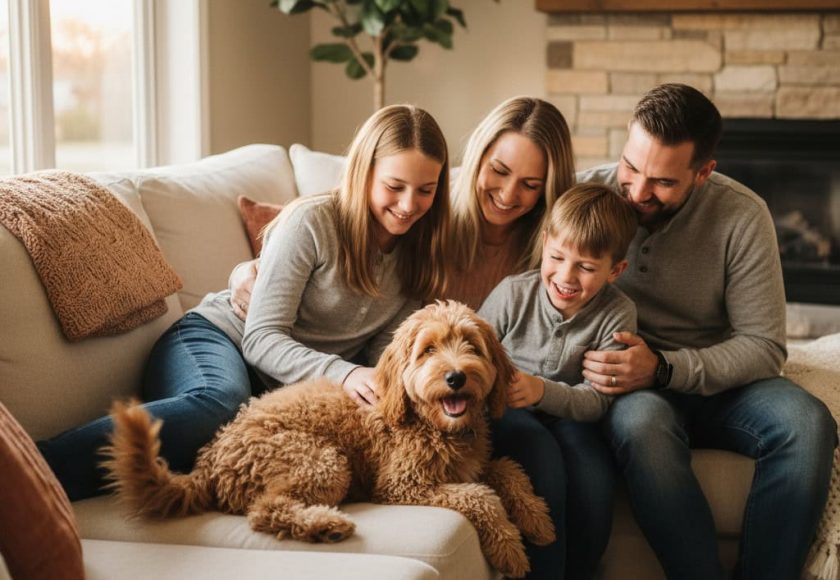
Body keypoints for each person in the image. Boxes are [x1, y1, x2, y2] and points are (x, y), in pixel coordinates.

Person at [229, 97, 613, 580]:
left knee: (591, 474)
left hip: (525, 387)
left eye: (531, 184)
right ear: (474, 163)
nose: (509, 193)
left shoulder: (553, 245)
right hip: (465, 395)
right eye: (498, 171)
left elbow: (603, 256)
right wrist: (247, 271)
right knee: (534, 449)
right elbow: (350, 253)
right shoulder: (429, 225)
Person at [37, 104, 452, 502]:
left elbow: (384, 354)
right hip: (218, 340)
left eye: (425, 191)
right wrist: (342, 374)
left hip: (284, 384)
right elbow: (260, 338)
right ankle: (32, 469)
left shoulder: (420, 255)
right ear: (363, 174)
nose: (408, 204)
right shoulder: (313, 222)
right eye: (394, 187)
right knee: (218, 405)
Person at [577, 83, 836, 580]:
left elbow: (764, 346)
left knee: (808, 423)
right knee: (641, 425)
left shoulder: (743, 214)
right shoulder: (585, 196)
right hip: (636, 392)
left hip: (720, 382)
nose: (636, 192)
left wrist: (666, 367)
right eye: (630, 167)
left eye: (662, 182)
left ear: (704, 172)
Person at [478, 183, 638, 424]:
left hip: (570, 418)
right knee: (542, 453)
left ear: (615, 270)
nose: (565, 276)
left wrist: (542, 391)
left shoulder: (617, 314)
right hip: (508, 410)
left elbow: (597, 402)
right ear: (544, 244)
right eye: (556, 257)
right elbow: (469, 349)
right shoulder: (513, 293)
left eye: (586, 267)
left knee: (591, 463)